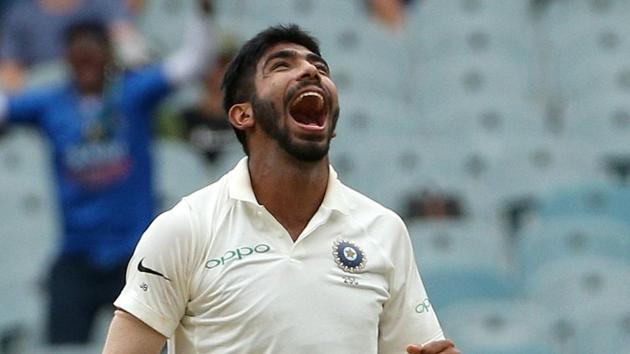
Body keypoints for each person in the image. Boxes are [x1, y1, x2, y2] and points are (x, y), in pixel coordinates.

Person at [102, 24, 460, 354]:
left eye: (320, 67)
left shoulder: (384, 230)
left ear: (331, 123)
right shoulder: (185, 228)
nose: (310, 72)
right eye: (281, 65)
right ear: (243, 115)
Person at [0, 1, 215, 344]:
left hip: (134, 256)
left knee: (155, 345)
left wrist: (203, 14)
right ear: (66, 58)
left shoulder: (132, 93)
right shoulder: (51, 104)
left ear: (107, 55)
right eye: (76, 51)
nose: (85, 59)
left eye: (93, 49)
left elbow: (190, 63)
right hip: (77, 255)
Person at [0, 0, 147, 91]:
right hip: (45, 98)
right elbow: (9, 74)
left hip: (103, 93)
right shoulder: (20, 15)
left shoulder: (105, 4)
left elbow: (128, 45)